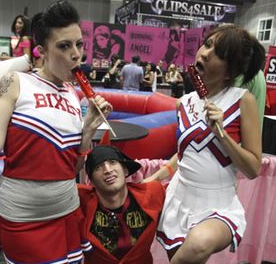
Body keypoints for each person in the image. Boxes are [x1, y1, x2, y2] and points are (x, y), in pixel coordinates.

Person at [0, 0, 112, 264]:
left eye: (79, 44)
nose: (77, 55)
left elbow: (72, 168)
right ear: (41, 51)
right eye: (64, 46)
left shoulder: (73, 94)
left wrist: (87, 131)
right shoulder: (15, 82)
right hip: (24, 219)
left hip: (68, 212)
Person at [156, 24, 265, 264]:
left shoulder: (242, 101)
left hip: (218, 204)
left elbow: (253, 168)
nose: (204, 54)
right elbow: (184, 153)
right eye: (207, 45)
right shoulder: (182, 103)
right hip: (179, 197)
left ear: (230, 71)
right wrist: (154, 179)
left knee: (197, 245)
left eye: (218, 53)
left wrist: (222, 134)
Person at [78, 145, 166, 264]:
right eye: (98, 167)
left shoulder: (152, 193)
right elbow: (58, 182)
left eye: (113, 162)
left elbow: (184, 162)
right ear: (91, 181)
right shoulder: (81, 199)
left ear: (125, 170)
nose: (108, 170)